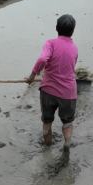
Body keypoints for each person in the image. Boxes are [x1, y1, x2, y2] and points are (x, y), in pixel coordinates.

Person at [26, 14, 78, 151]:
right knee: (67, 122)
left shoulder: (50, 43)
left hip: (48, 91)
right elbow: (71, 68)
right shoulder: (75, 48)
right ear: (73, 31)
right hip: (68, 93)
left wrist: (32, 76)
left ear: (56, 28)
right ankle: (67, 144)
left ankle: (47, 147)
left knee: (47, 121)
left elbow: (43, 59)